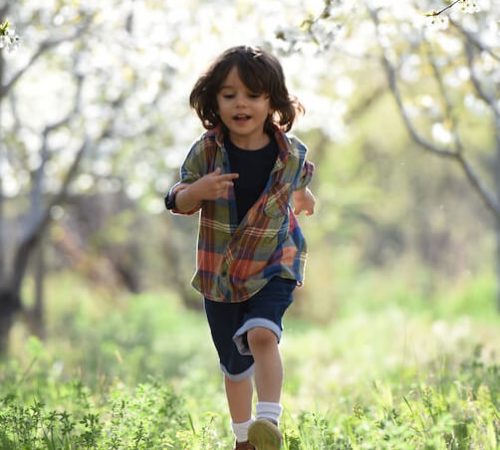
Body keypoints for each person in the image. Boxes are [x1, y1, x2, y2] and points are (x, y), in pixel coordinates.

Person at [165, 45, 315, 450]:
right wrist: (197, 190)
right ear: (214, 101)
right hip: (222, 274)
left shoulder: (291, 151)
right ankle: (243, 436)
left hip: (274, 262)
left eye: (252, 95)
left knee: (262, 335)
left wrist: (305, 197)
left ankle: (268, 424)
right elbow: (177, 199)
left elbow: (298, 179)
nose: (240, 104)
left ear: (272, 102)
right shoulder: (207, 151)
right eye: (229, 95)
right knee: (234, 364)